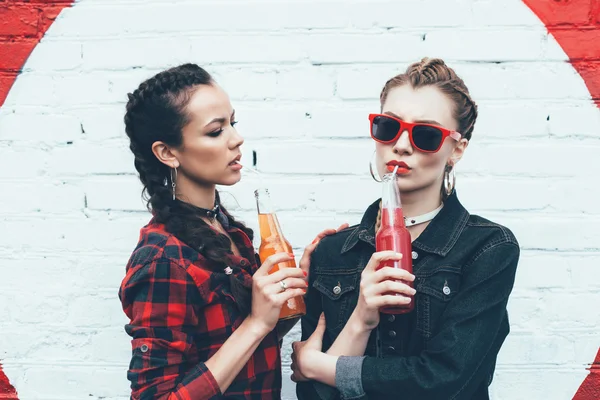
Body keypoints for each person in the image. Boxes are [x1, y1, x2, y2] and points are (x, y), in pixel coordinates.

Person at [292, 57, 520, 400]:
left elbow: (446, 380)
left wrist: (319, 367)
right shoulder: (332, 252)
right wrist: (362, 317)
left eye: (426, 135)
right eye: (388, 127)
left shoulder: (487, 248)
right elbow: (314, 397)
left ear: (456, 149)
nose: (401, 144)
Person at [118, 63, 342, 399]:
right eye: (215, 131)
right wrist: (255, 323)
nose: (236, 139)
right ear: (167, 153)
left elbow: (248, 353)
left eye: (232, 123)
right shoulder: (163, 259)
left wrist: (288, 295)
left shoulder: (227, 231)